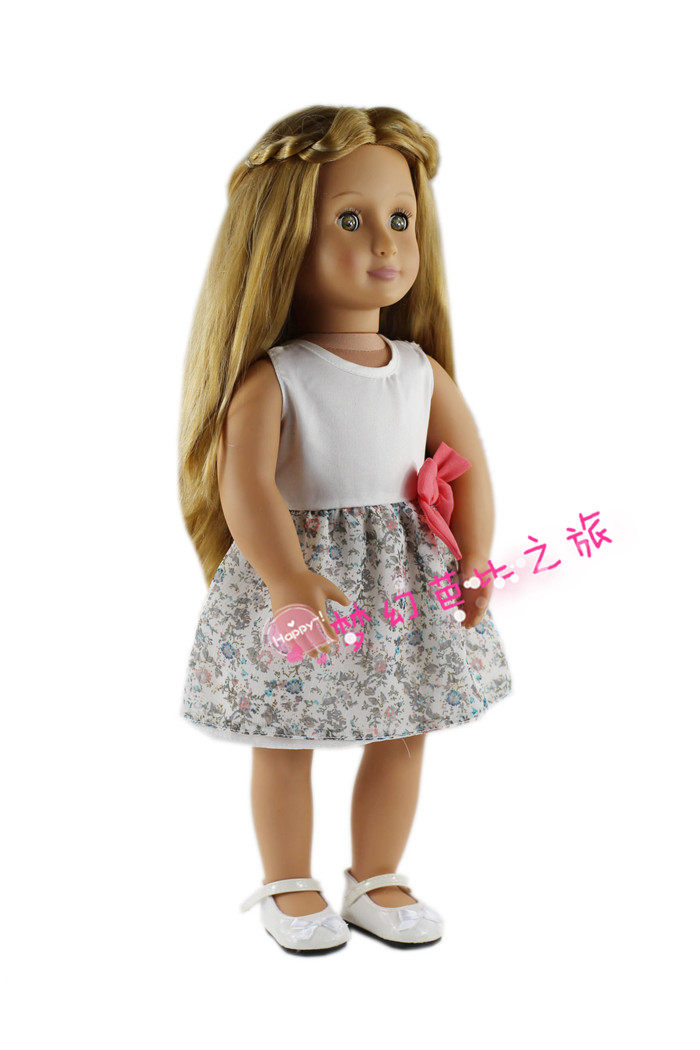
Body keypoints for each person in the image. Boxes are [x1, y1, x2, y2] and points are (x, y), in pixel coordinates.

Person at [178, 105, 513, 953]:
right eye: (352, 221)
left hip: (405, 585)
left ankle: (377, 874)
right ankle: (289, 880)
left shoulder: (419, 371)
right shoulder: (276, 376)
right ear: (282, 237)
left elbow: (467, 466)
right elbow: (246, 484)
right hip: (301, 579)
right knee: (283, 736)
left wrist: (475, 554)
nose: (385, 244)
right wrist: (286, 579)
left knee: (404, 730)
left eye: (401, 219)